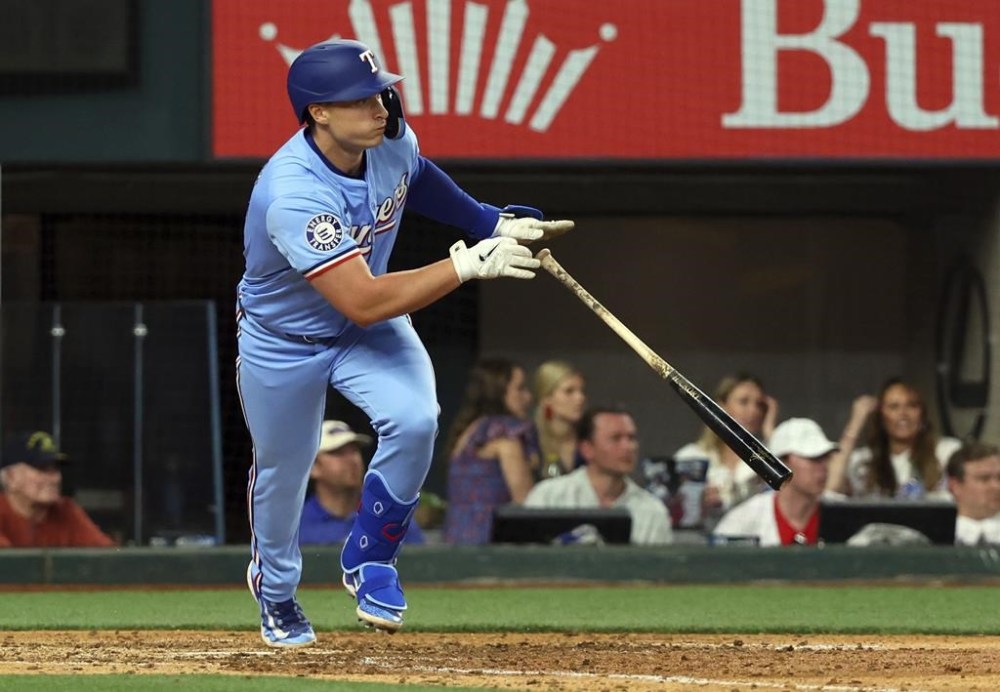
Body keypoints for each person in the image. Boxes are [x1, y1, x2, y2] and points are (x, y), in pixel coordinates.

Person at [236, 38, 573, 646]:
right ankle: (279, 593)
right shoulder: (293, 193)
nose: (380, 105)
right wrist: (467, 265)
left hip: (365, 330)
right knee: (284, 473)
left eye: (379, 91)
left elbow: (417, 176)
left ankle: (371, 557)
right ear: (318, 113)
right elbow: (363, 297)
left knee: (416, 419)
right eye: (360, 99)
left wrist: (488, 221)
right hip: (283, 341)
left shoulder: (387, 137)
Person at [524, 406, 672, 545]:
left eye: (631, 438)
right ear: (587, 448)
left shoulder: (653, 512)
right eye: (616, 438)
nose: (628, 447)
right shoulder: (549, 497)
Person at [443, 358, 539, 544]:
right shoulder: (505, 438)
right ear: (498, 391)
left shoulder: (467, 433)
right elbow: (526, 506)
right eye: (520, 388)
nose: (528, 397)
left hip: (454, 539)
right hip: (489, 544)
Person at [712, 418, 839, 547]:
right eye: (814, 458)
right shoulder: (743, 520)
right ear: (781, 464)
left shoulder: (845, 515)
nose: (824, 466)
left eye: (826, 457)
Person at [827, 378, 960, 499]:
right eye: (894, 407)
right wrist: (856, 422)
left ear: (922, 414)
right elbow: (830, 489)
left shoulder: (947, 452)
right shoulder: (862, 461)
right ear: (881, 416)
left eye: (912, 406)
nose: (903, 414)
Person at [299, 420, 425, 546]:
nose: (352, 460)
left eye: (354, 450)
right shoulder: (296, 527)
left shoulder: (390, 517)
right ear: (313, 467)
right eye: (338, 453)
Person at [673, 373, 778, 521]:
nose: (753, 411)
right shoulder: (691, 456)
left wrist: (770, 432)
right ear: (721, 406)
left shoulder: (769, 459)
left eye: (760, 405)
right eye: (743, 402)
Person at [0, 431, 115, 549]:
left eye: (55, 469)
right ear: (11, 477)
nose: (55, 479)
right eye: (42, 469)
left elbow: (109, 557)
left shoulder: (66, 511)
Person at [531, 360, 587, 479]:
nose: (580, 398)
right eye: (569, 391)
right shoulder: (530, 440)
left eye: (582, 391)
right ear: (546, 399)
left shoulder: (588, 439)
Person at [945, 442, 1000, 546]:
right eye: (984, 479)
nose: (996, 487)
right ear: (954, 486)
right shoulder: (936, 538)